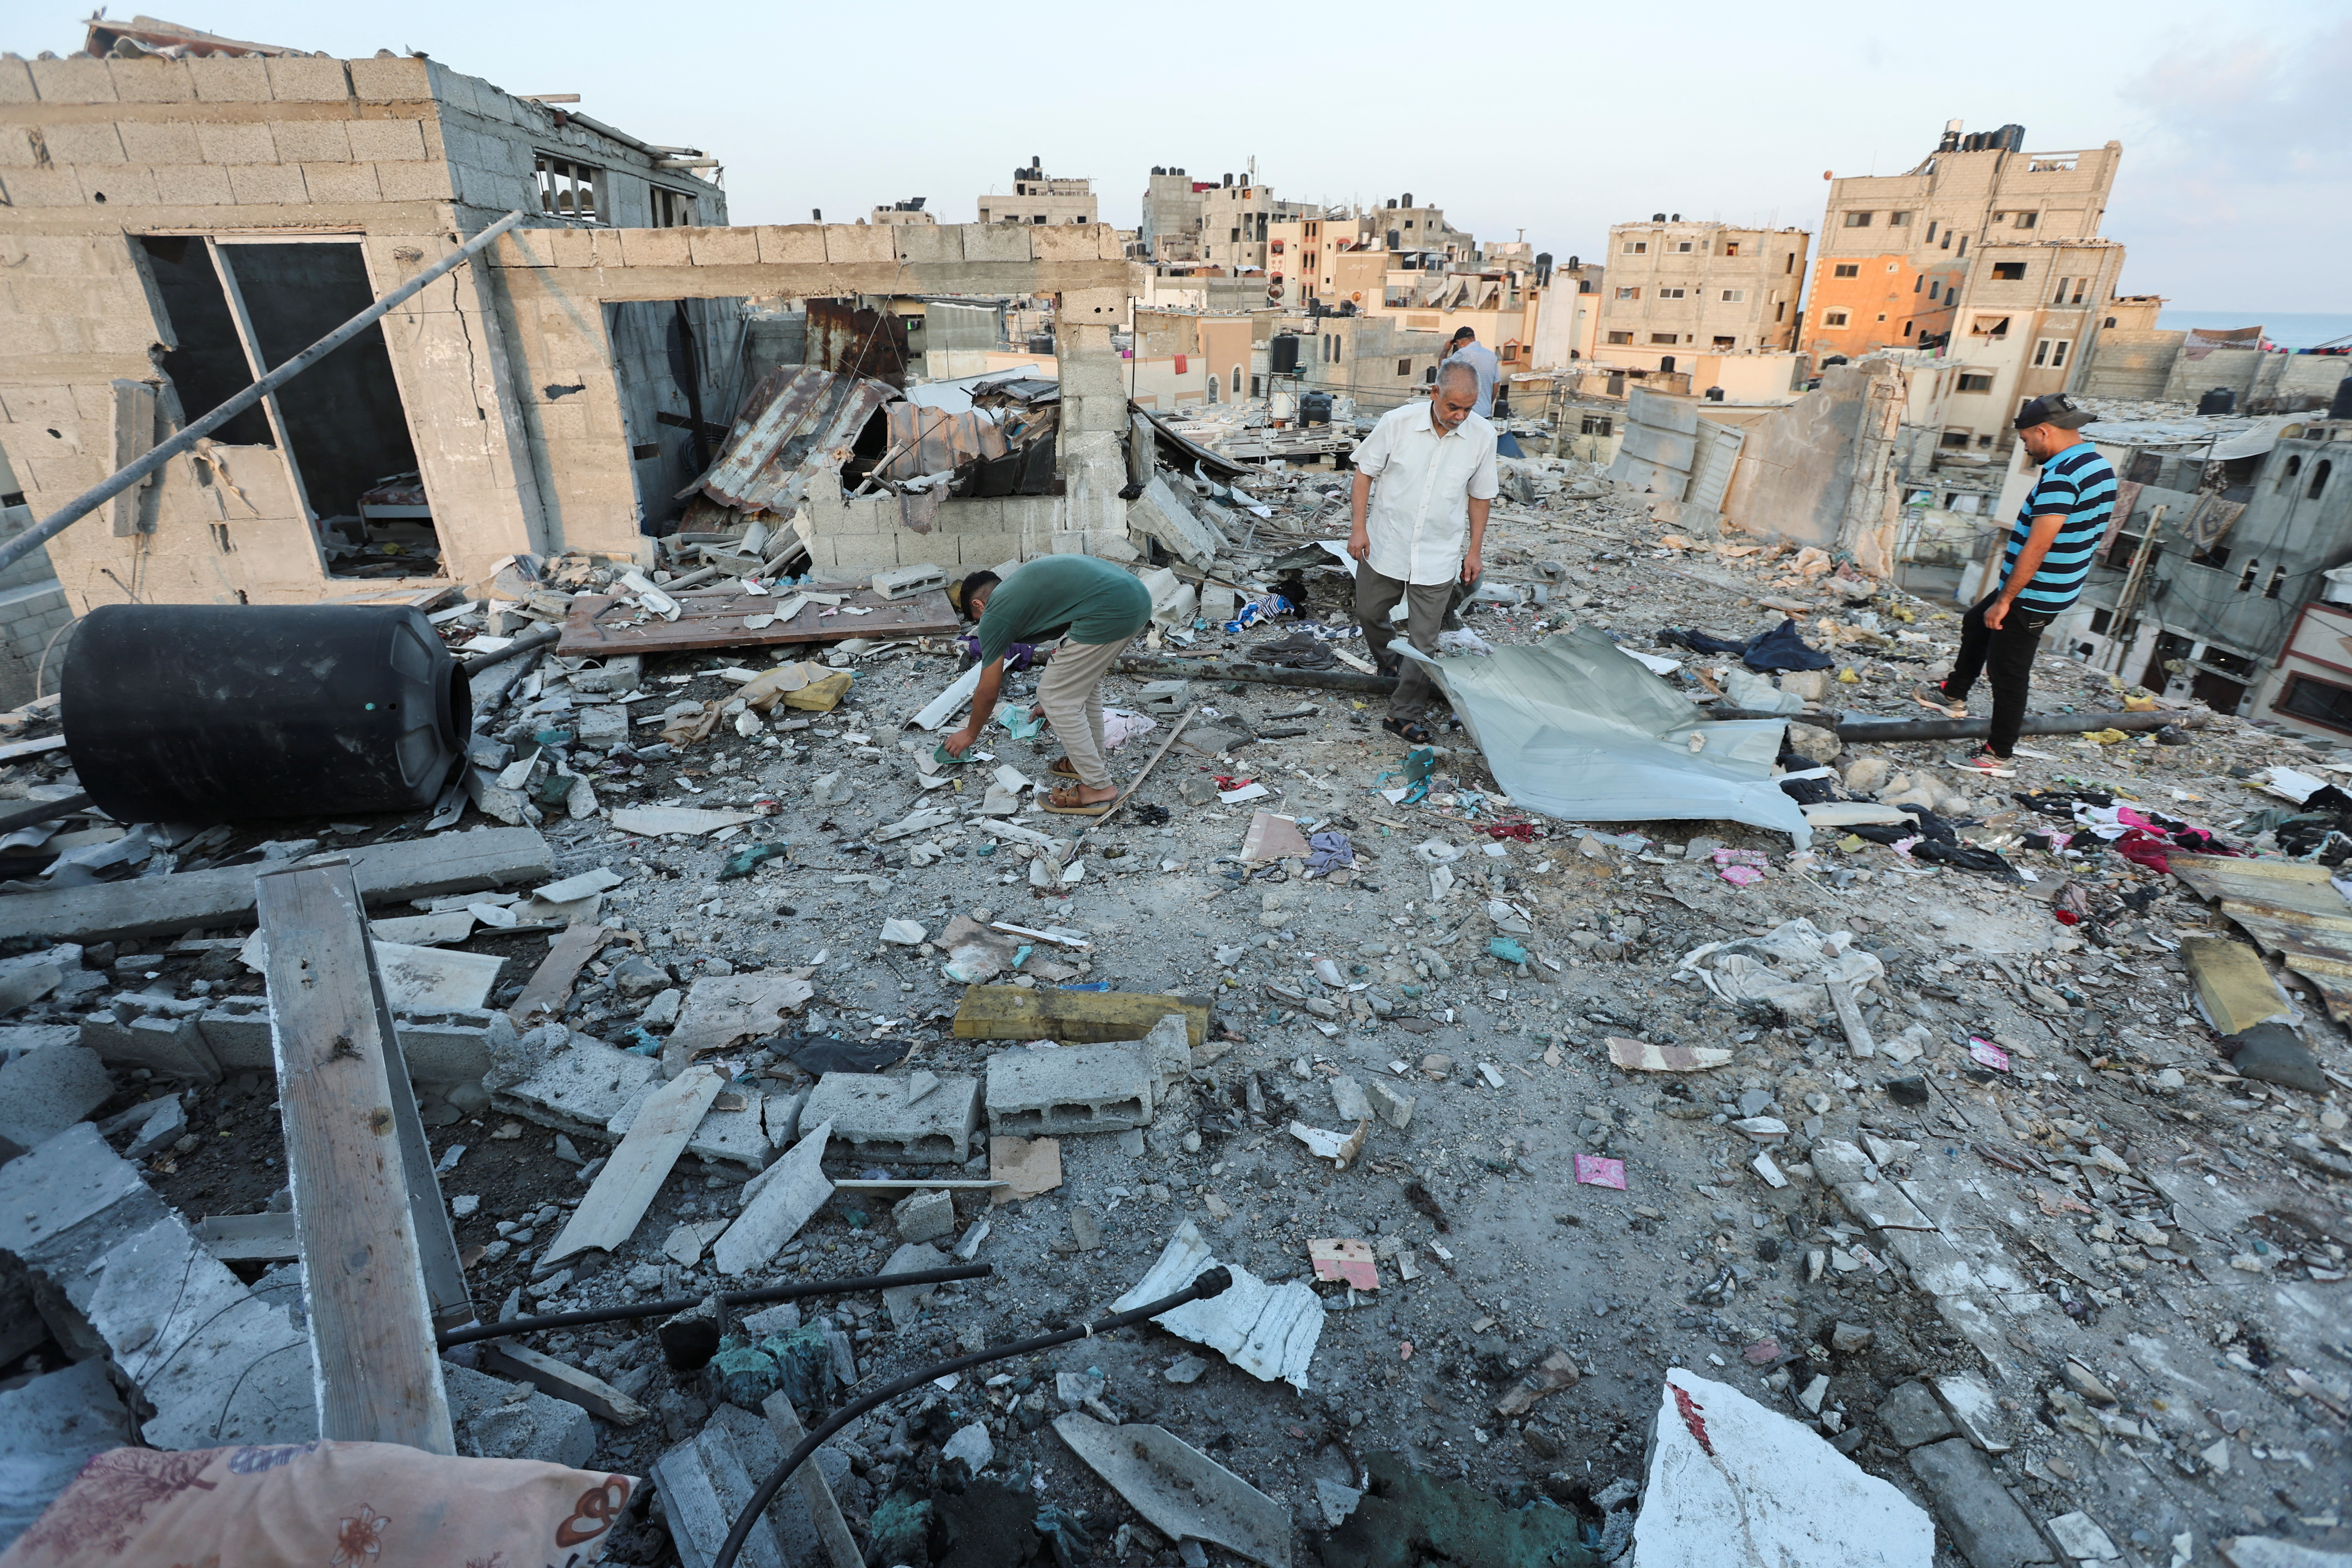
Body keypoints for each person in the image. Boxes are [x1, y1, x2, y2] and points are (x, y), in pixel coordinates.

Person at [1918, 393, 2116, 766]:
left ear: (2044, 431)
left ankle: (1999, 753)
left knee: (2008, 672)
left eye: (2026, 440)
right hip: (2050, 583)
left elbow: (2038, 546)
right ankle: (1953, 693)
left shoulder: (2062, 475)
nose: (2027, 448)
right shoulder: (2097, 465)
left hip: (2036, 590)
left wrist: (2006, 599)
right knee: (1977, 621)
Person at [1349, 360, 1497, 744]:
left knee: (1424, 640)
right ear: (1435, 394)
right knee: (1369, 611)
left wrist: (1474, 551)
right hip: (1387, 542)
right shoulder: (1397, 423)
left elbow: (1481, 496)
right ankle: (1389, 662)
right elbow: (1364, 472)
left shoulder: (1483, 436)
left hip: (1438, 552)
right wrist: (1359, 529)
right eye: (1454, 408)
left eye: (1469, 408)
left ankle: (1403, 714)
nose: (1461, 416)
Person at [943, 556, 1152, 815]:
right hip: (1136, 600)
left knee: (1055, 697)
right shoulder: (1022, 590)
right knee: (1083, 687)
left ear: (979, 605)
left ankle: (1098, 787)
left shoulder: (994, 613)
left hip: (1110, 609)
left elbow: (988, 689)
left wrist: (970, 733)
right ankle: (1087, 763)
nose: (980, 624)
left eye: (976, 617)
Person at [1441, 326, 1500, 419]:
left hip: (1468, 414)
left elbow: (1443, 369)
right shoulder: (1492, 355)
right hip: (1485, 413)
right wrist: (1488, 403)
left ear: (1460, 342)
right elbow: (1496, 384)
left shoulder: (1463, 353)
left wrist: (1446, 350)